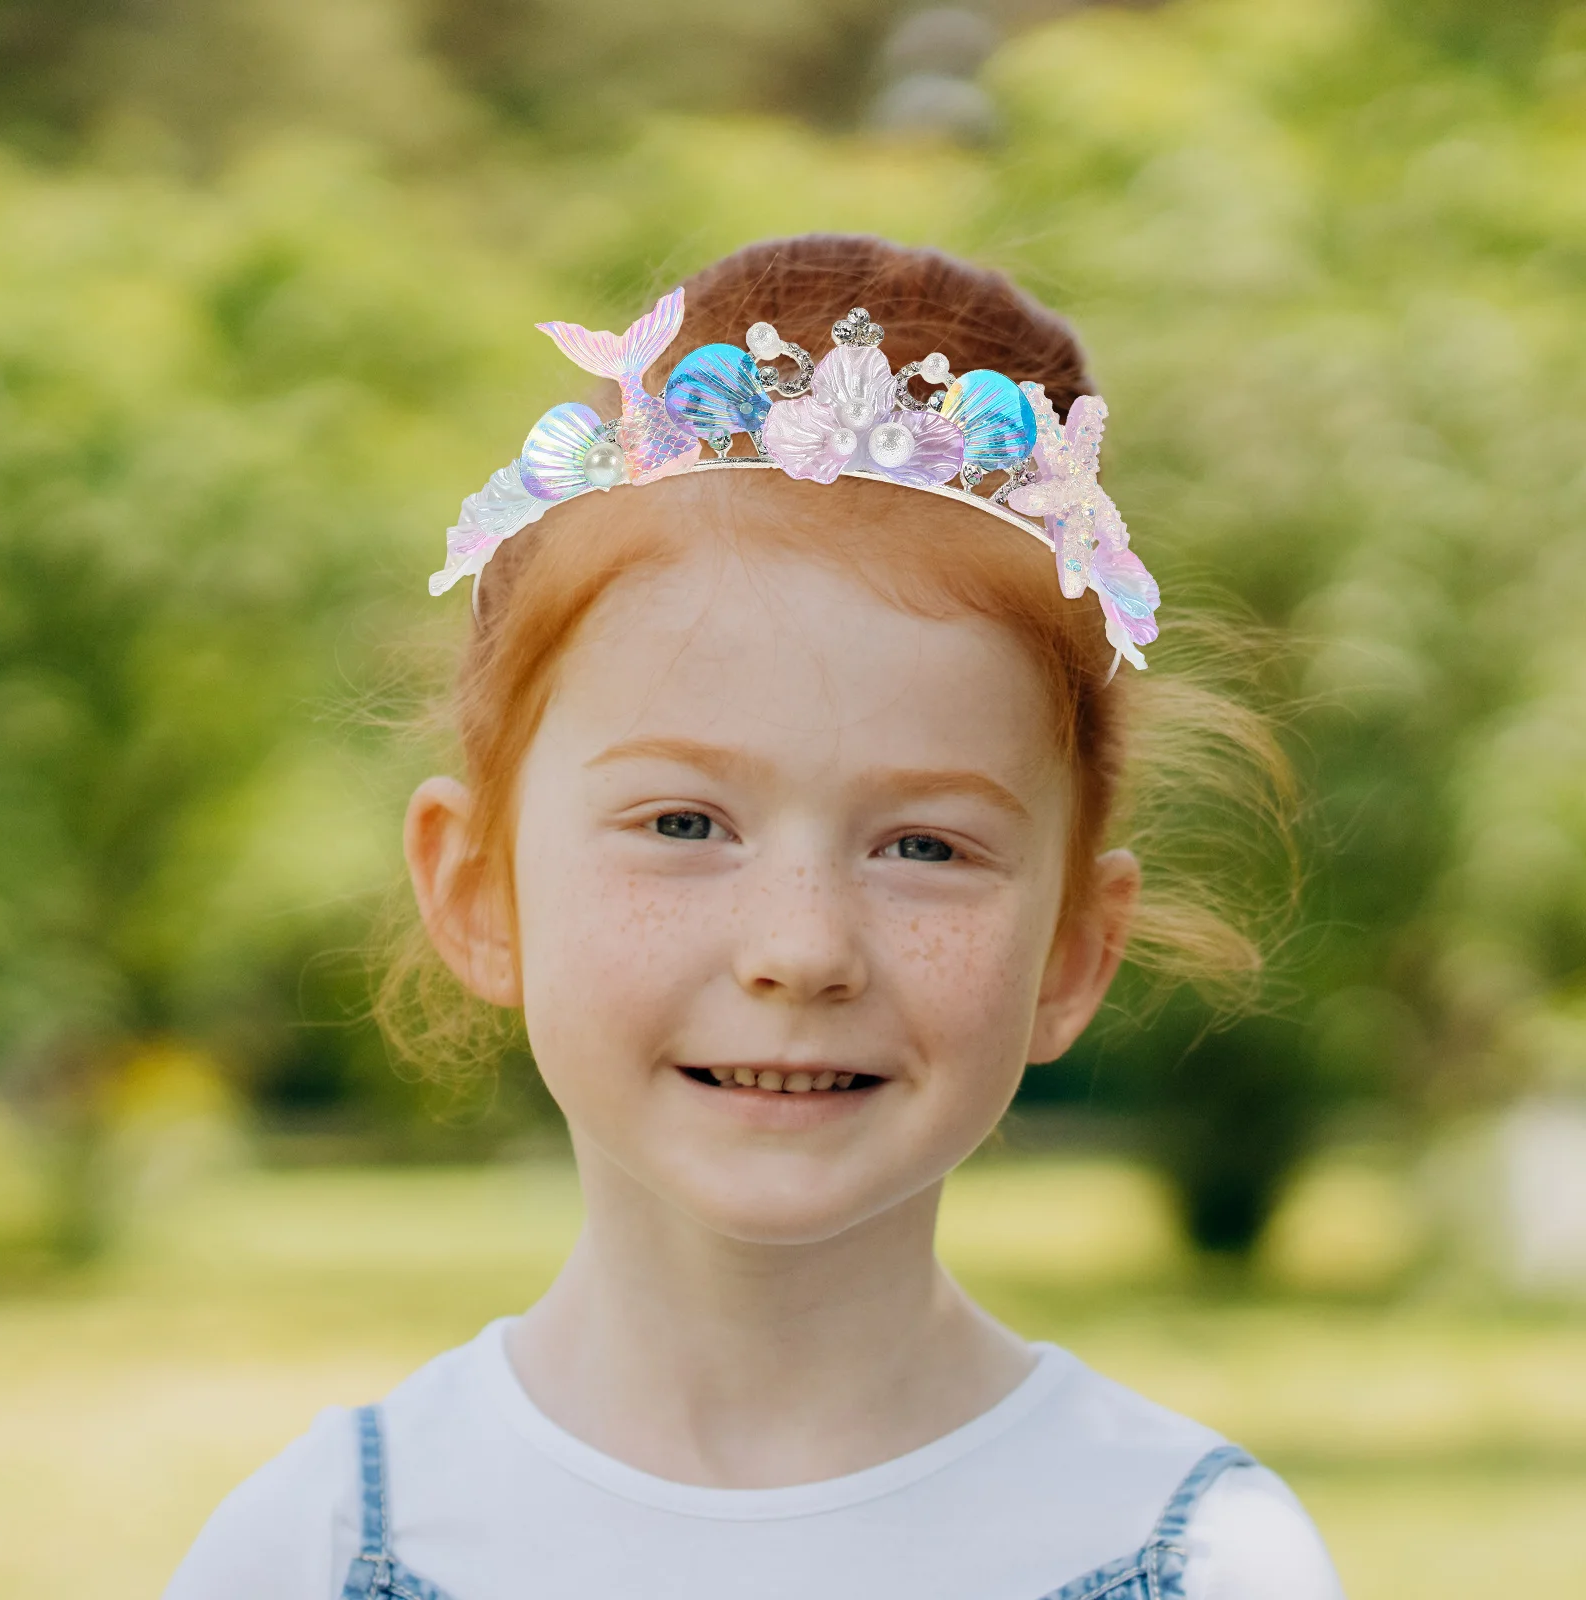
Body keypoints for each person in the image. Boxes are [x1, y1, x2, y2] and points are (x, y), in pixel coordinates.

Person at [165, 235, 1344, 1600]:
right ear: (478, 889)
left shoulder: (1196, 1560)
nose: (800, 952)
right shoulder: (319, 1549)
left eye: (925, 844)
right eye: (683, 826)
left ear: (1077, 949)